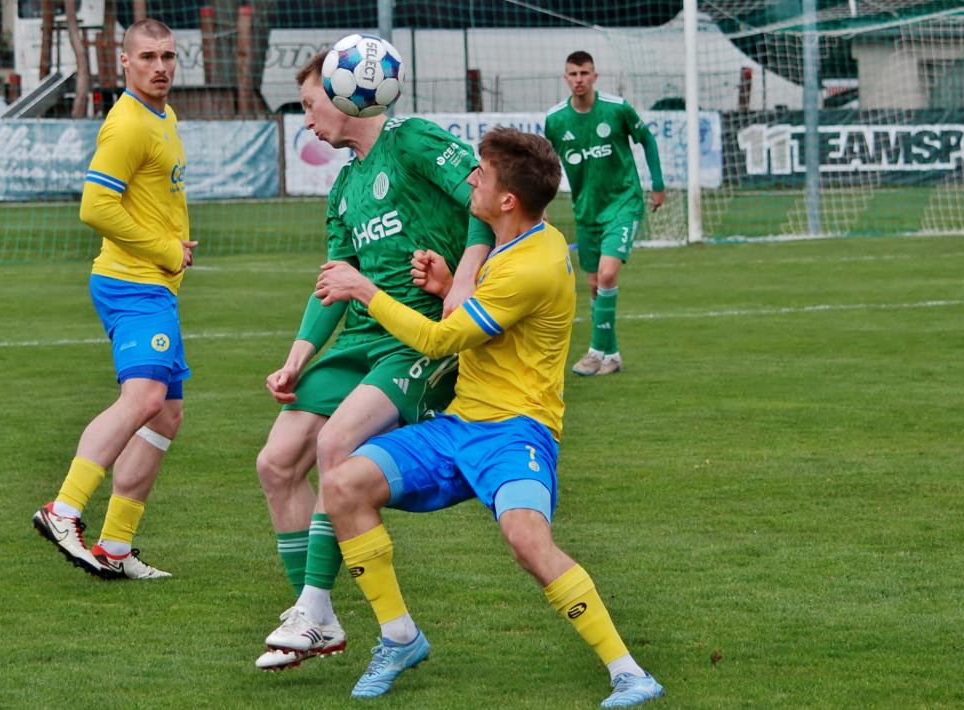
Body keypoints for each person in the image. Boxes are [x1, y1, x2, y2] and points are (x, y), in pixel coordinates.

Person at [314, 127, 664, 707]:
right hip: (460, 426)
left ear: (507, 199)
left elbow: (438, 340)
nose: (471, 179)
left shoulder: (533, 264)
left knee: (527, 539)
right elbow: (489, 320)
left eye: (482, 173)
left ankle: (630, 673)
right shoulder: (520, 241)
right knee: (344, 484)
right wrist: (448, 285)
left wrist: (363, 289)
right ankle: (399, 638)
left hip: (516, 431)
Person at [253, 48, 494, 671]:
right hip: (361, 339)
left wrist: (467, 276)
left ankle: (314, 608)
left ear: (344, 92)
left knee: (334, 444)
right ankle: (314, 614)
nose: (307, 120)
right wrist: (296, 359)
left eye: (310, 105)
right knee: (276, 463)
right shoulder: (343, 188)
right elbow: (333, 281)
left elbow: (485, 200)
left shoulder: (412, 141)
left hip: (417, 338)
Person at [32, 19, 195, 580]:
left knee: (166, 414)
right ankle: (64, 509)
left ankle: (115, 548)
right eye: (148, 56)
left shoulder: (164, 116)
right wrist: (166, 249)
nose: (160, 66)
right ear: (124, 62)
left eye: (168, 56)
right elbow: (95, 207)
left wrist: (172, 247)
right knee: (145, 396)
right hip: (132, 282)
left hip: (156, 284)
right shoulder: (127, 124)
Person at [544, 50, 666, 377]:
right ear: (566, 78)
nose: (579, 80)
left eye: (584, 73)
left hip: (623, 203)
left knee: (608, 274)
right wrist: (541, 205)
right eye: (573, 74)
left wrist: (657, 183)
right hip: (587, 210)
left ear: (594, 76)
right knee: (596, 284)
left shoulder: (616, 108)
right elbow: (546, 166)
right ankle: (612, 356)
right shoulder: (555, 120)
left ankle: (595, 352)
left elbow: (647, 139)